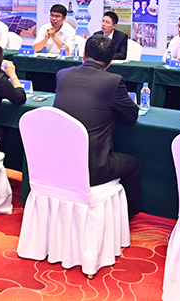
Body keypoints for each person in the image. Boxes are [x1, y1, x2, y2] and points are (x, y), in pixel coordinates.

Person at [53, 35, 142, 218]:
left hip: (59, 162)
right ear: (109, 62)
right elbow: (131, 116)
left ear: (83, 55)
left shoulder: (63, 74)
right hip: (92, 168)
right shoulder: (113, 81)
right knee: (133, 164)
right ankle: (125, 219)